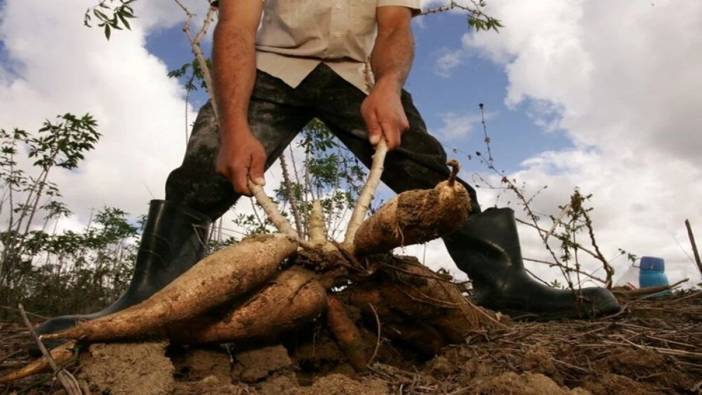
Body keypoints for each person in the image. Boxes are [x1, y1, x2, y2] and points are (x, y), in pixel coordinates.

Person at [36, 0, 619, 337]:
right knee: (201, 176)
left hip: (354, 73)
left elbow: (394, 28)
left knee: (429, 174)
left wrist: (388, 85)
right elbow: (237, 27)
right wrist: (235, 130)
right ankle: (147, 300)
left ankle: (506, 284)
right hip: (270, 68)